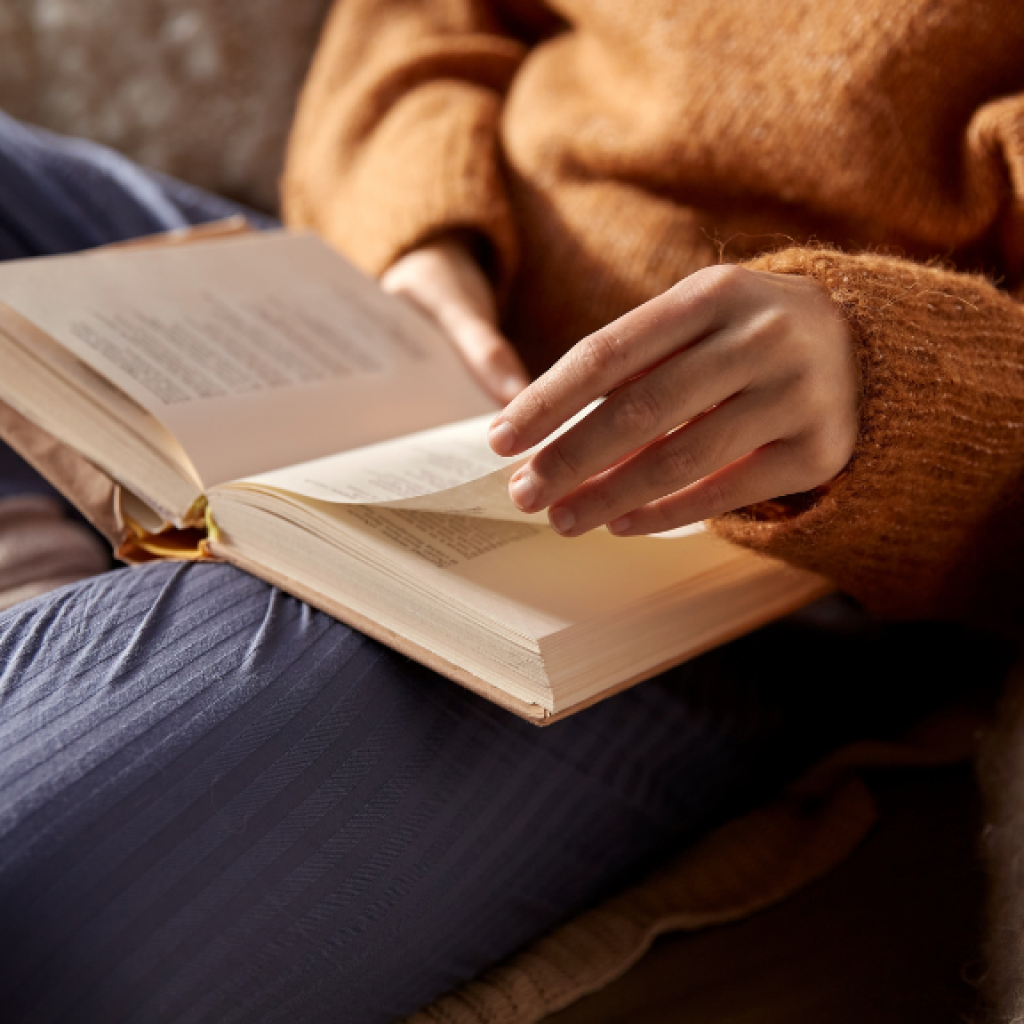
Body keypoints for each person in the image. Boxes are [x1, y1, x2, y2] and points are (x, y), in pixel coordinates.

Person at [0, 2, 1021, 1023]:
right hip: (408, 332)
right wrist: (422, 231)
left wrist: (889, 378)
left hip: (740, 553)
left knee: (45, 896)